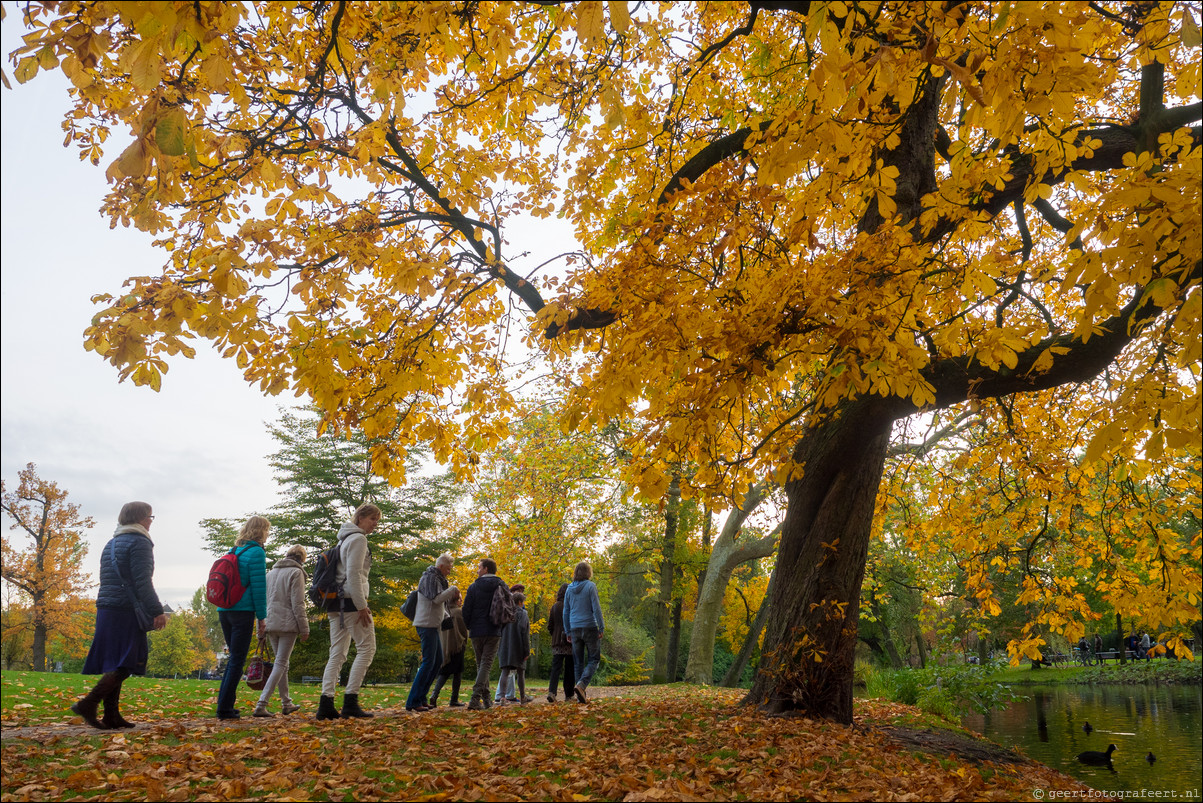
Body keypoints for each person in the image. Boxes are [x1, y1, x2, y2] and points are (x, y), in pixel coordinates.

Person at [73, 501, 168, 729]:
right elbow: (143, 581)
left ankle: (111, 716)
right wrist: (157, 610)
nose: (150, 521)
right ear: (141, 518)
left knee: (116, 661)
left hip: (106, 608)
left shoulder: (112, 543)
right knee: (127, 662)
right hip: (126, 610)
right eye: (150, 517)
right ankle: (89, 702)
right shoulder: (141, 542)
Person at [317, 503, 379, 720]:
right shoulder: (359, 538)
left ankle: (326, 704)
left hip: (336, 603)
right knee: (367, 649)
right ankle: (350, 700)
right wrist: (362, 605)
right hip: (352, 603)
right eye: (373, 519)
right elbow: (353, 574)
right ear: (360, 517)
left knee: (338, 652)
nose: (375, 525)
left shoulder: (343, 539)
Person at [215, 515, 270, 720]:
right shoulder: (256, 552)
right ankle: (224, 709)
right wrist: (262, 618)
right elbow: (258, 588)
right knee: (237, 660)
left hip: (225, 610)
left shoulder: (234, 550)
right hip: (243, 612)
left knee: (233, 659)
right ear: (262, 531)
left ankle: (225, 704)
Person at [254, 545, 310, 717]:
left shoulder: (270, 574)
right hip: (288, 625)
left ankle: (287, 703)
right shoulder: (296, 573)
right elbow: (298, 603)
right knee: (281, 663)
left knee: (282, 664)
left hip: (270, 624)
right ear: (302, 558)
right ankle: (261, 704)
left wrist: (259, 629)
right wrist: (304, 628)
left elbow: (262, 603)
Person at [407, 553, 458, 712]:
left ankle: (421, 698)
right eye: (448, 569)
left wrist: (446, 616)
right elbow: (436, 599)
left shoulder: (437, 579)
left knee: (436, 662)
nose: (449, 572)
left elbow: (436, 602)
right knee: (429, 662)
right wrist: (453, 590)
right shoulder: (430, 578)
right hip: (426, 624)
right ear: (441, 566)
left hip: (432, 625)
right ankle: (413, 701)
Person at [461, 557, 510, 710]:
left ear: (486, 569)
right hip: (494, 630)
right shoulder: (502, 585)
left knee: (481, 664)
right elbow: (508, 607)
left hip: (476, 630)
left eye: (479, 567)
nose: (477, 570)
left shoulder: (473, 587)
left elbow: (466, 610)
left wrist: (470, 626)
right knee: (486, 664)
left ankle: (480, 699)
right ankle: (482, 699)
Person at [563, 561, 604, 704]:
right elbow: (596, 608)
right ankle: (581, 685)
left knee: (578, 663)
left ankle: (581, 695)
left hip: (574, 628)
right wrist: (601, 626)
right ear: (588, 573)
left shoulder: (569, 589)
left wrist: (567, 630)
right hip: (589, 626)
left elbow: (566, 611)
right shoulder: (590, 586)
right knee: (594, 659)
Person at [430, 588, 468, 707]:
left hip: (445, 647)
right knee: (457, 673)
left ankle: (434, 695)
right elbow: (464, 631)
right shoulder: (458, 612)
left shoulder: (444, 612)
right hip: (457, 646)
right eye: (460, 599)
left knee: (444, 673)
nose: (461, 601)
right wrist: (464, 641)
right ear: (457, 600)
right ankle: (454, 699)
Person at [497, 591, 532, 705]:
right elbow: (524, 633)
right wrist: (527, 650)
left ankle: (502, 697)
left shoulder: (504, 613)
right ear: (520, 602)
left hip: (505, 646)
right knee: (521, 672)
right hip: (518, 646)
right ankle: (522, 697)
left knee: (505, 671)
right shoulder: (523, 614)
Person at [494, 582, 525, 703]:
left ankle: (507, 695)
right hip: (511, 643)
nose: (520, 594)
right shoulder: (509, 608)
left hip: (507, 643)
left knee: (508, 671)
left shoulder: (508, 608)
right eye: (518, 592)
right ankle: (503, 695)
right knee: (510, 671)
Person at [547, 583, 575, 703]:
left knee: (556, 668)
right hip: (569, 641)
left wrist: (554, 635)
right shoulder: (571, 605)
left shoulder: (554, 607)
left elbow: (550, 626)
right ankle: (569, 694)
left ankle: (552, 692)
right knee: (569, 669)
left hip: (557, 641)